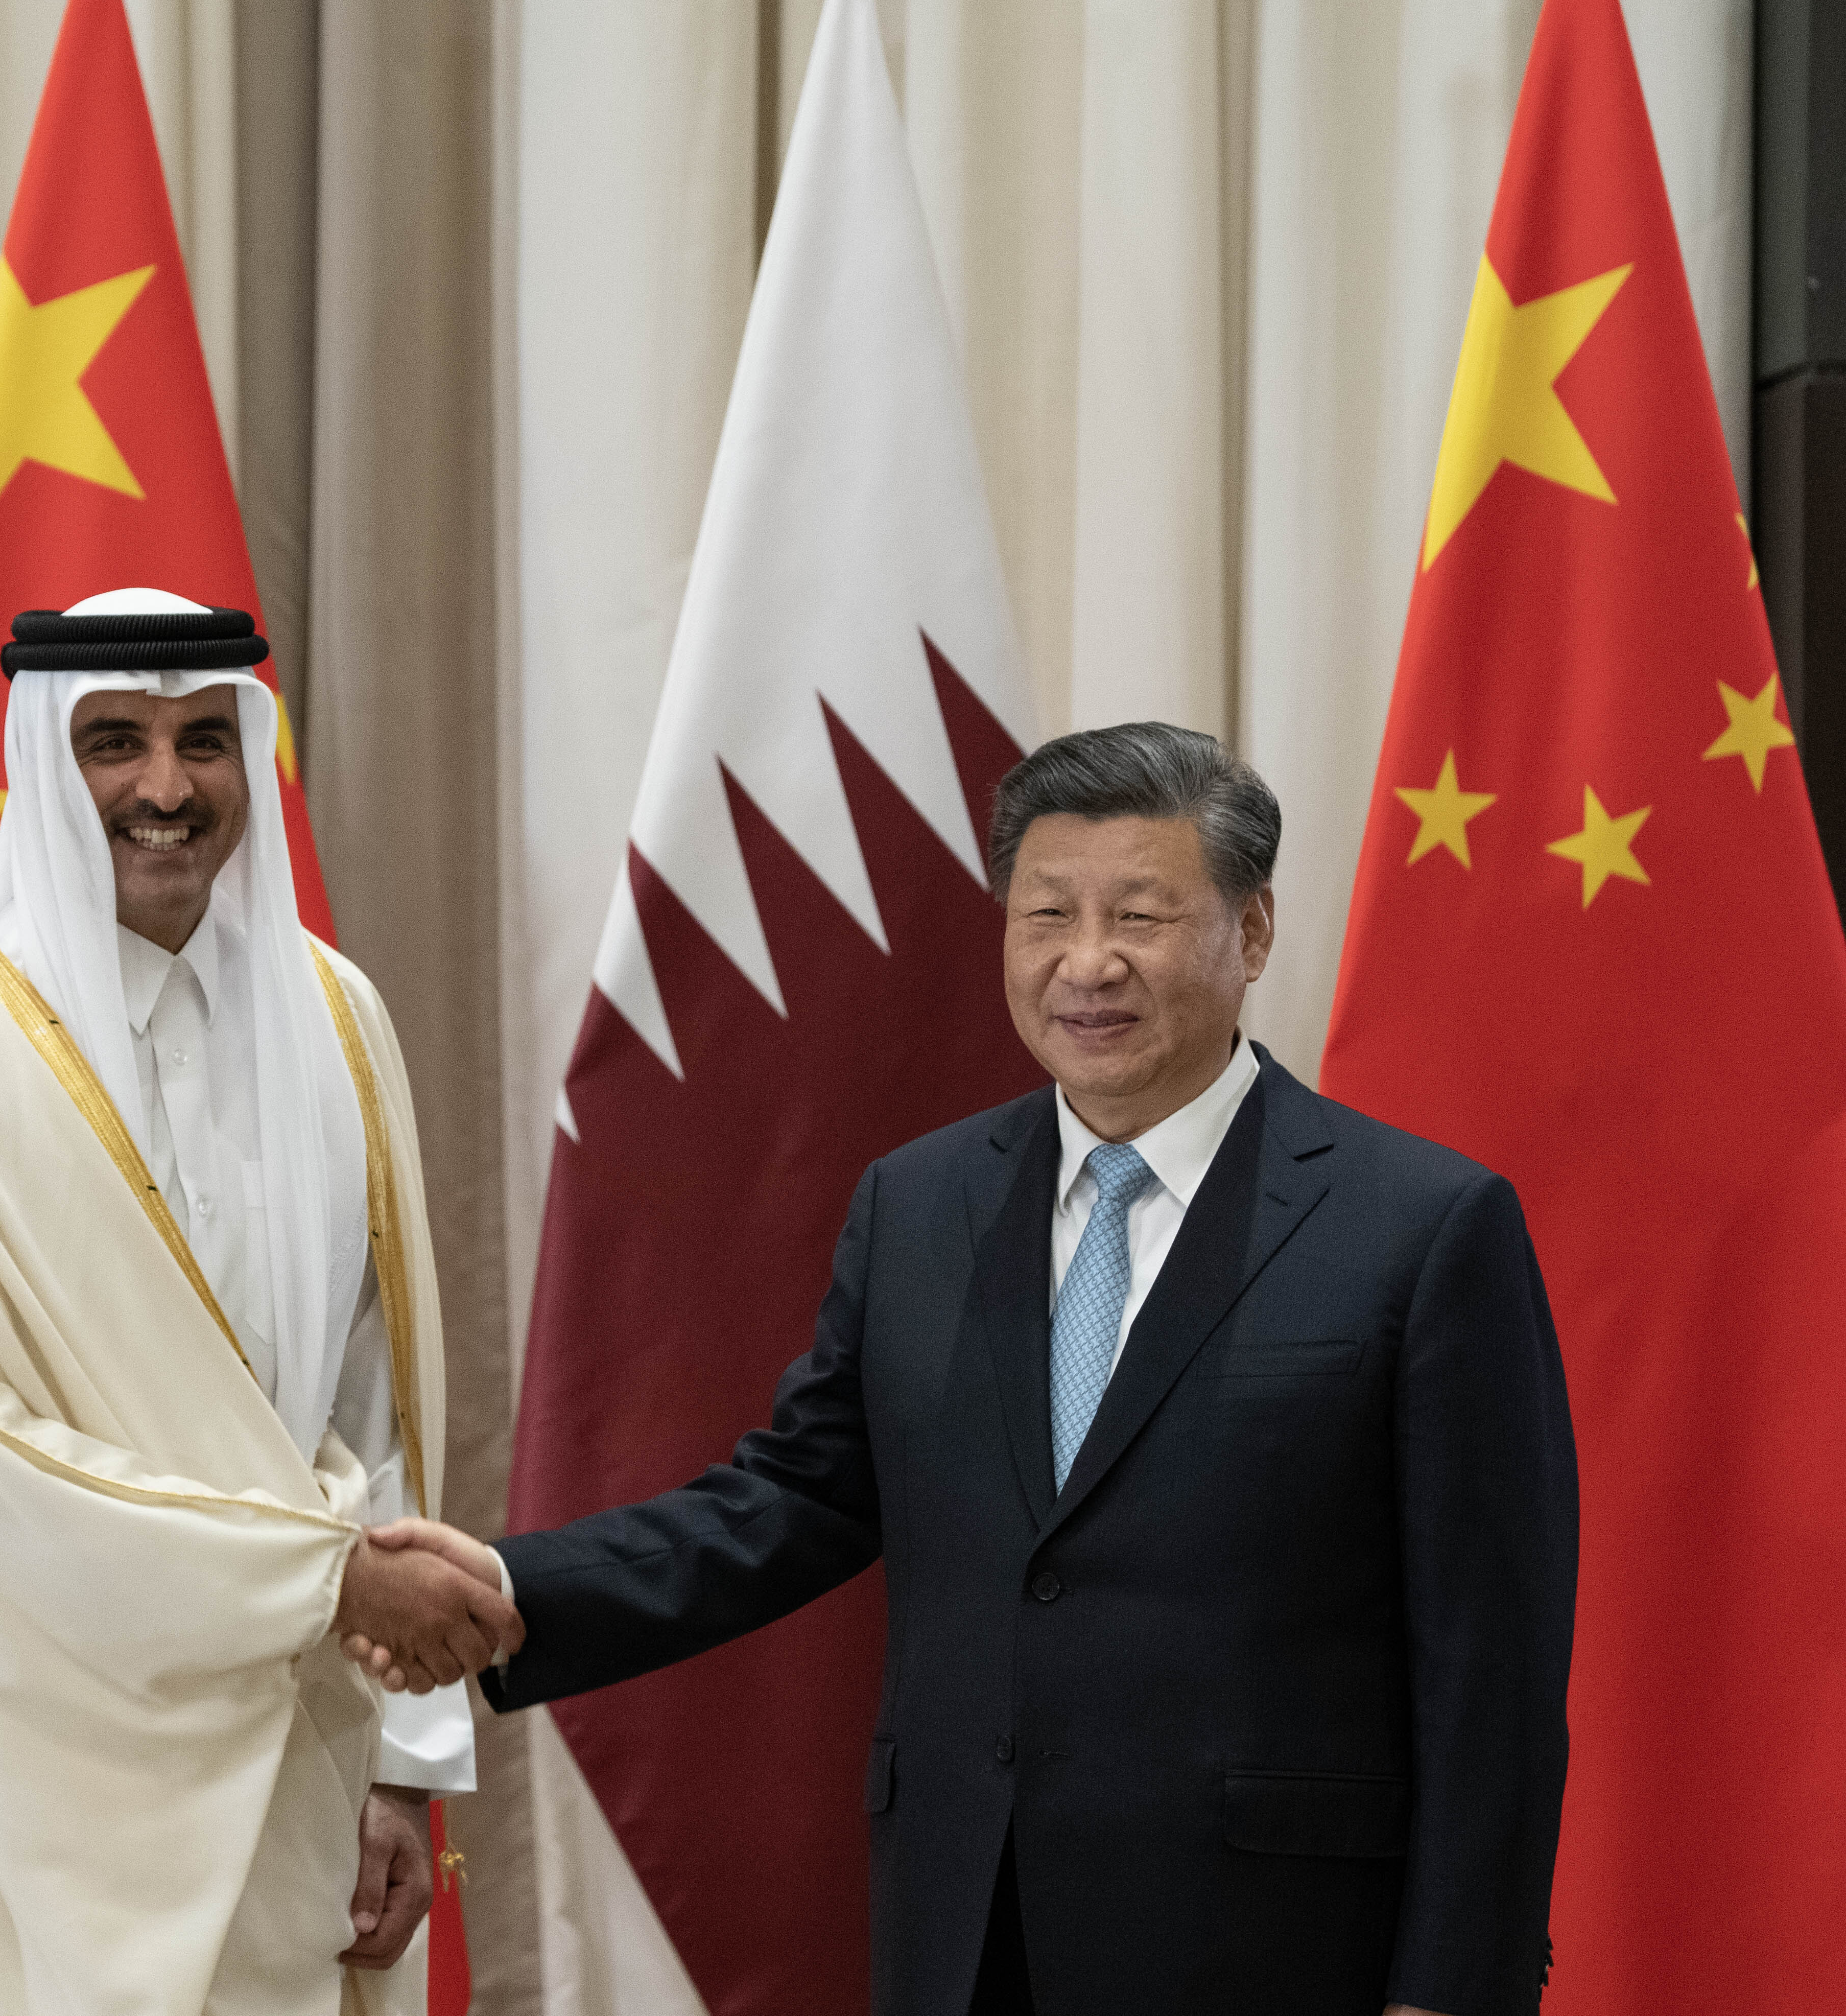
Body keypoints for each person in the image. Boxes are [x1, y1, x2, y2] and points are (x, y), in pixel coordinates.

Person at [358, 723, 1577, 2015]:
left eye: (1143, 915)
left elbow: (1490, 1667)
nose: (1087, 961)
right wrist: (508, 1581)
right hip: (965, 1932)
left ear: (1252, 932)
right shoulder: (921, 1202)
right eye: (1046, 911)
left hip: (1273, 1950)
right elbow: (796, 1501)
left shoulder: (1422, 1225)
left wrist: (1454, 1989)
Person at [0, 590, 522, 2016]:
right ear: (39, 766)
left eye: (205, 739)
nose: (168, 788)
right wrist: (322, 1582)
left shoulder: (337, 1021)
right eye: (113, 740)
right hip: (23, 1785)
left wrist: (398, 1766)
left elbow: (379, 1412)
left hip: (300, 1774)